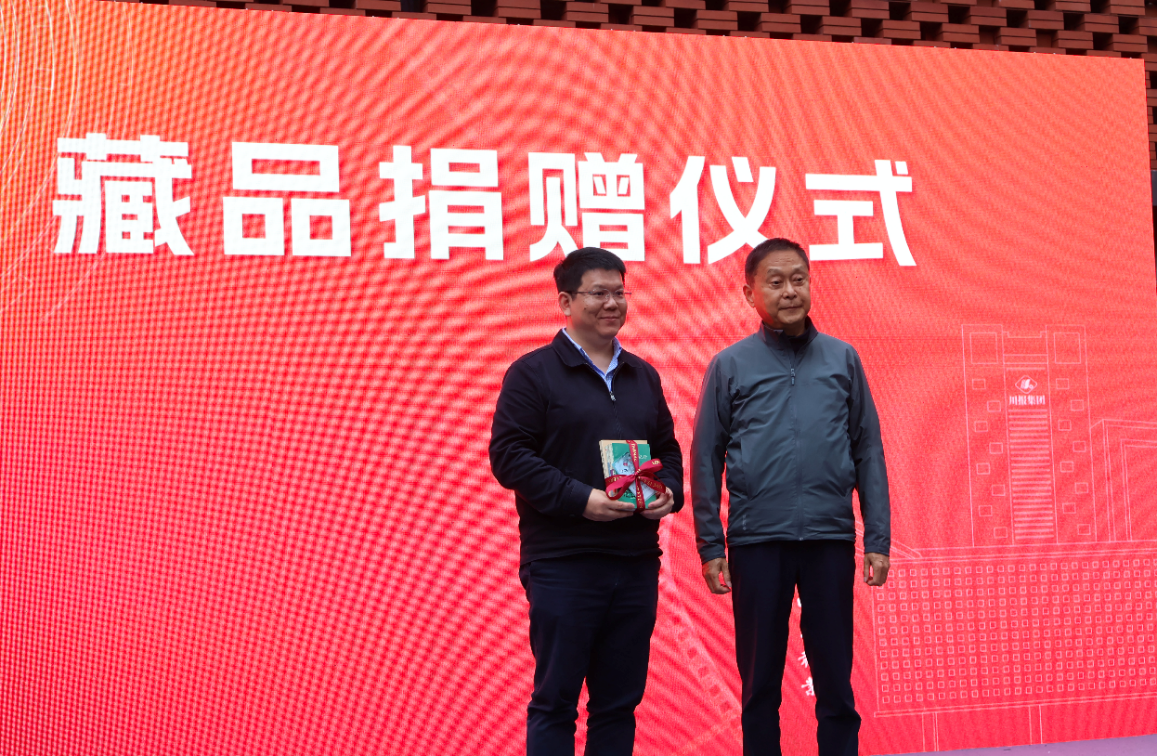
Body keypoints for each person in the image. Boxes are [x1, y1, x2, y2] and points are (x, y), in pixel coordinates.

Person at [690, 238, 890, 756]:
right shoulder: (730, 365)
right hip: (757, 541)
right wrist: (710, 544)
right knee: (759, 685)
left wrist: (878, 538)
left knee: (836, 682)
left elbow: (868, 450)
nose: (789, 291)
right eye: (775, 282)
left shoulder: (842, 359)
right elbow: (706, 457)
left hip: (828, 538)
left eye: (798, 279)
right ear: (748, 294)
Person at [489, 247, 684, 756]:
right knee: (556, 703)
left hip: (635, 562)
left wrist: (668, 494)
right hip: (564, 563)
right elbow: (509, 457)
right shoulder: (532, 373)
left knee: (618, 705)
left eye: (620, 292)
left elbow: (667, 450)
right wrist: (582, 500)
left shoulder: (643, 376)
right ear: (565, 302)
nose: (612, 303)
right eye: (598, 293)